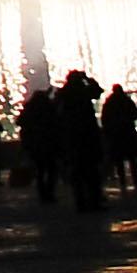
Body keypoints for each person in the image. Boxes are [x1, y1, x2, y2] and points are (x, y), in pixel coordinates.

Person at [53, 73, 106, 214]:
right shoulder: (83, 91)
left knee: (77, 173)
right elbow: (98, 91)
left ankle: (80, 202)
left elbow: (56, 111)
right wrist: (88, 79)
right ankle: (94, 201)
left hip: (72, 137)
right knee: (92, 172)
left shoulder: (63, 94)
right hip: (88, 135)